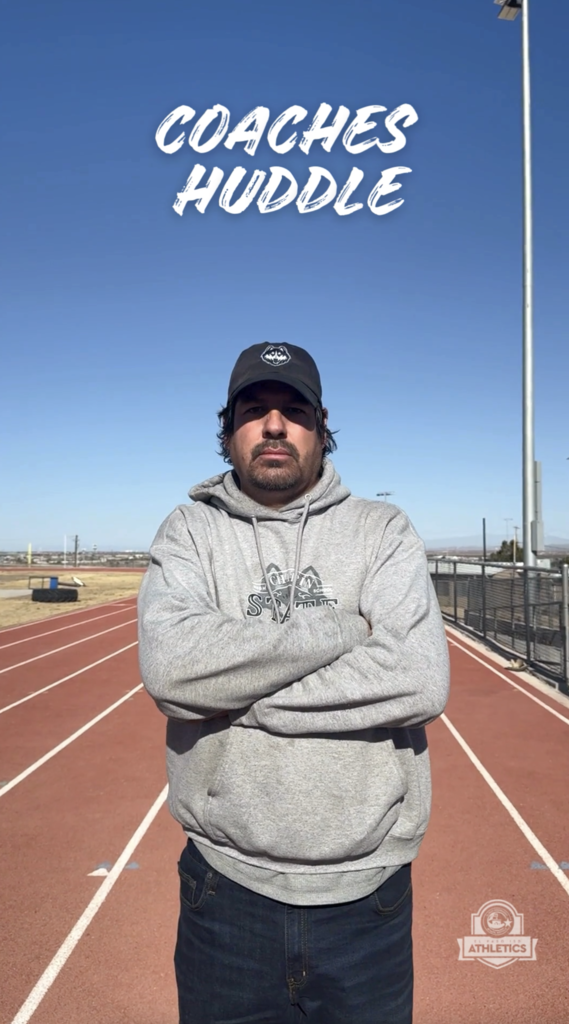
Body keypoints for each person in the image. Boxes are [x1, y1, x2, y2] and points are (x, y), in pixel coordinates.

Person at [138, 341, 450, 1024]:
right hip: (226, 892)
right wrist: (341, 629)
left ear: (320, 425)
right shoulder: (190, 532)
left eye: (292, 410)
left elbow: (419, 680)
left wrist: (240, 699)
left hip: (367, 898)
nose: (274, 425)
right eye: (254, 410)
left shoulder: (382, 530)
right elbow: (171, 671)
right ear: (227, 430)